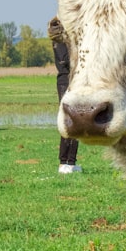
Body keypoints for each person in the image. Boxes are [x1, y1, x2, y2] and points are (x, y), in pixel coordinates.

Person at [48, 16, 81, 174]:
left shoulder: (65, 40)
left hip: (73, 79)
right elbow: (64, 62)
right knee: (68, 120)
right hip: (65, 81)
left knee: (76, 122)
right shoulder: (60, 41)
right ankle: (64, 162)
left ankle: (71, 162)